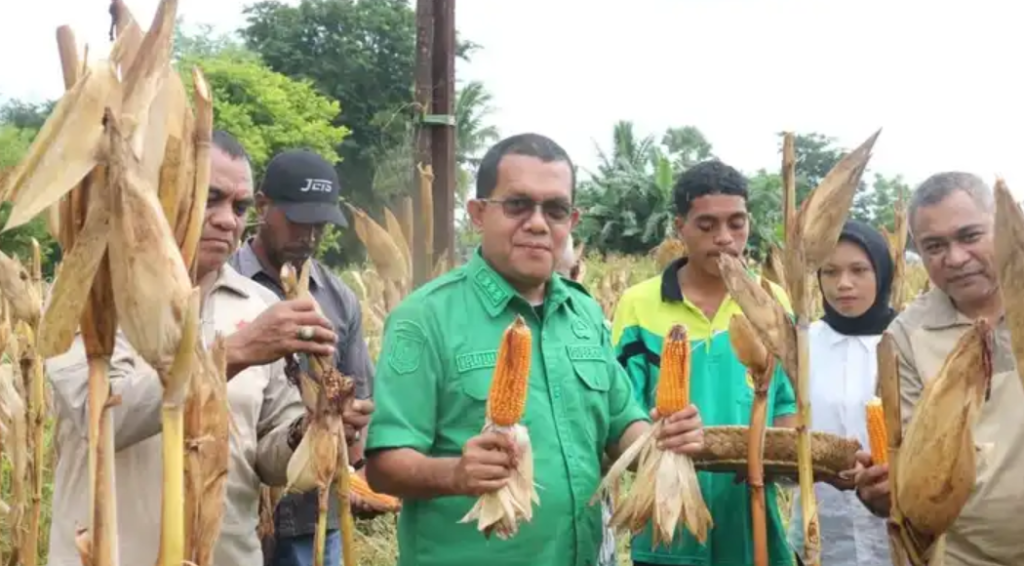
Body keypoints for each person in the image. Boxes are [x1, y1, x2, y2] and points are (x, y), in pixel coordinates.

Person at [364, 133, 706, 566]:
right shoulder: (424, 318)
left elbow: (622, 427)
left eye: (555, 209)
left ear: (572, 220)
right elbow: (383, 465)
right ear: (477, 214)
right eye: (517, 205)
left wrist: (661, 440)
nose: (538, 223)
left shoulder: (583, 313)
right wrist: (455, 473)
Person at [44, 131, 370, 566]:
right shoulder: (92, 295)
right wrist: (233, 353)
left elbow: (270, 460)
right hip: (111, 555)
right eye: (209, 198)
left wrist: (314, 428)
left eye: (238, 207)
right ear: (160, 192)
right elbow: (101, 417)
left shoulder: (259, 305)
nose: (228, 220)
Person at [611, 160, 798, 566]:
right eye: (707, 225)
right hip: (669, 513)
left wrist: (789, 464)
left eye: (737, 222)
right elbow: (620, 411)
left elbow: (786, 407)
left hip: (751, 514)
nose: (725, 238)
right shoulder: (639, 306)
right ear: (680, 227)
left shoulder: (773, 303)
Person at [854, 172, 1024, 565]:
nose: (956, 258)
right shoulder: (905, 338)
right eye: (935, 246)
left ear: (999, 226)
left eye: (969, 236)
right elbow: (912, 472)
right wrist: (884, 491)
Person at [228, 148, 377, 566]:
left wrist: (358, 465)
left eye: (320, 225)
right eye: (297, 221)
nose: (309, 236)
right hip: (236, 509)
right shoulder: (226, 285)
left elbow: (358, 390)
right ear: (262, 206)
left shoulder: (338, 297)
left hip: (317, 512)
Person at [786, 219, 893, 565]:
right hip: (820, 536)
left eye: (858, 270)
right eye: (830, 272)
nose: (843, 284)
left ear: (882, 272)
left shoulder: (908, 341)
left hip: (897, 537)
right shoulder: (802, 344)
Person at [554, 234, 617, 566]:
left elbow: (622, 417)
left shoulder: (592, 320)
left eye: (562, 278)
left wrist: (658, 438)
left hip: (591, 533)